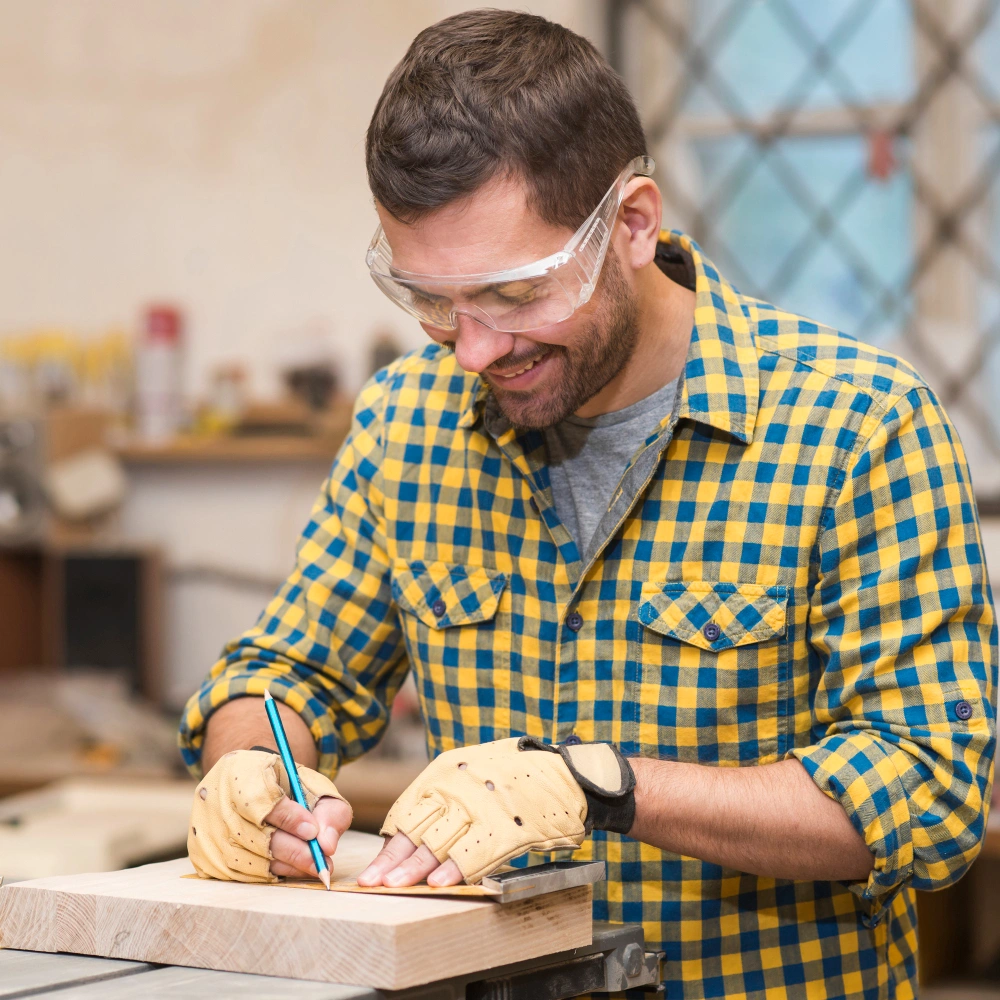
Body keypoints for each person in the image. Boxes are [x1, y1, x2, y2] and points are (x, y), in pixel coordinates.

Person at [179, 10, 997, 999]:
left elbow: (928, 791)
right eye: (433, 302)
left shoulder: (855, 427)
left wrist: (598, 783)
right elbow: (288, 673)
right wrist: (251, 764)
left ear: (636, 224)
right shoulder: (407, 422)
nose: (473, 350)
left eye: (513, 295)